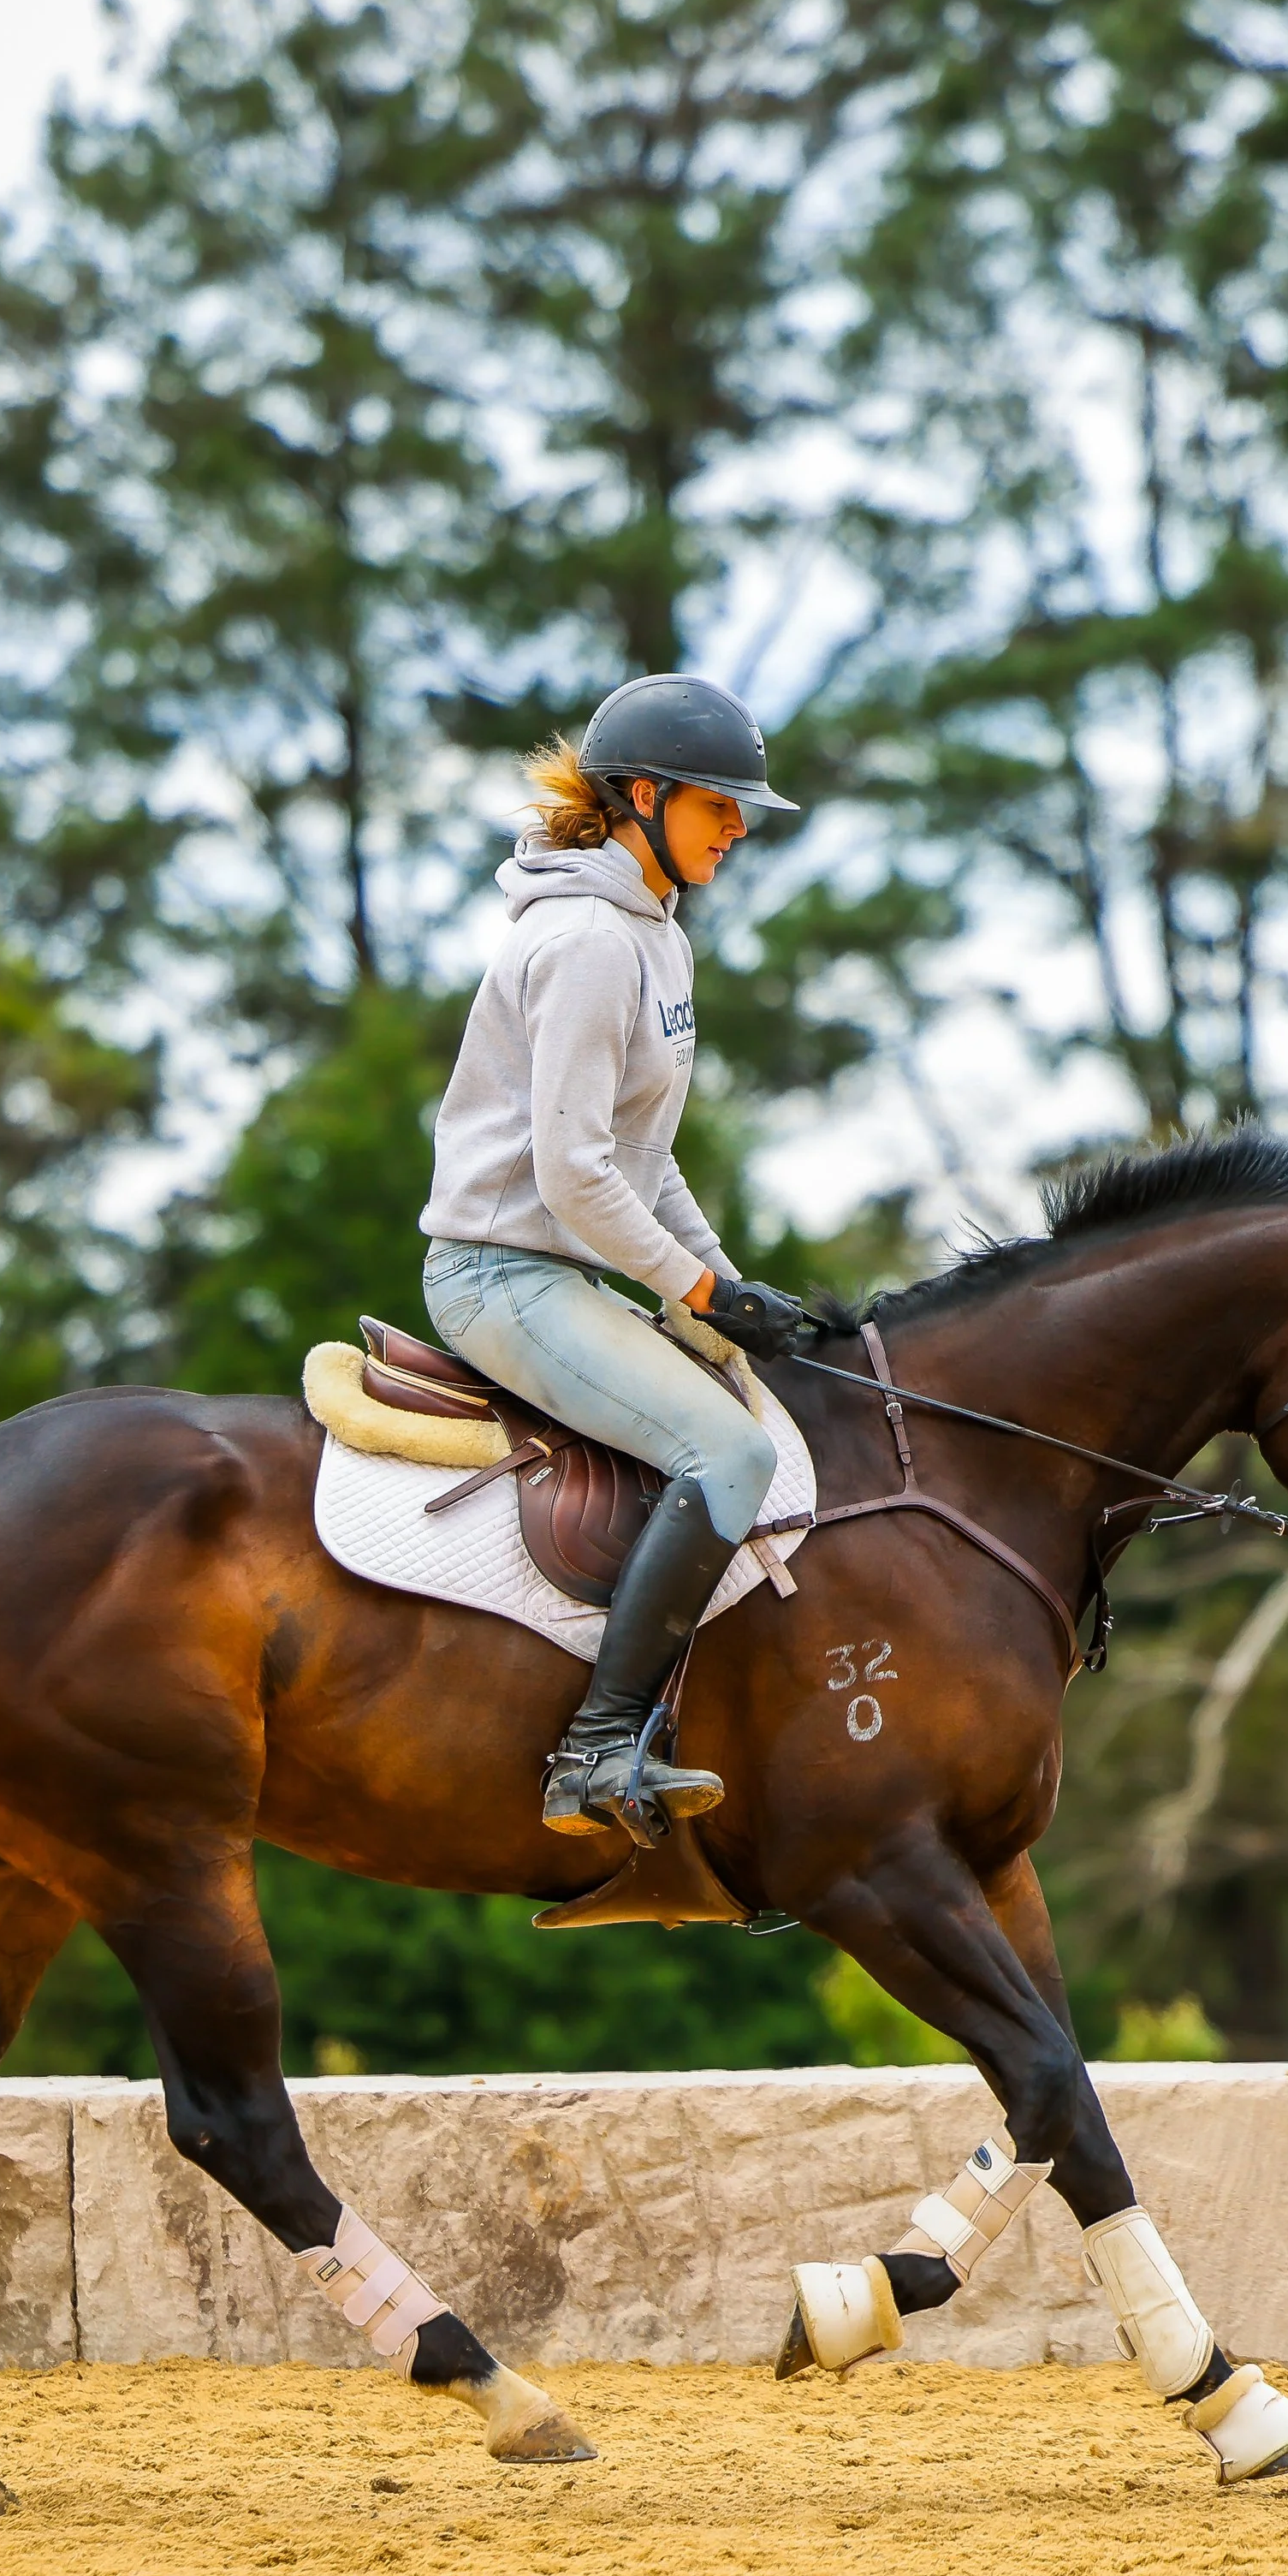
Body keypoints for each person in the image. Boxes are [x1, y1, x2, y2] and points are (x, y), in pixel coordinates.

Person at [419, 674, 808, 1843]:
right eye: (718, 806)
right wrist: (694, 1289)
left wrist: (725, 1291)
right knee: (729, 1454)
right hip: (500, 1275)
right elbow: (573, 1173)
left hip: (564, 1270)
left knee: (762, 1406)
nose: (738, 828)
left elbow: (644, 1157)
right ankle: (592, 1753)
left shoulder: (656, 934)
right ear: (643, 794)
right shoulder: (590, 941)